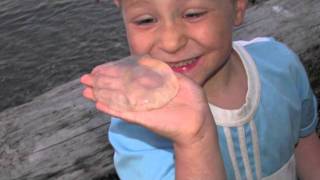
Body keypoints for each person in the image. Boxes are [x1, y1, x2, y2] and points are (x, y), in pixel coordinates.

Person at [80, 0, 320, 179]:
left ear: (237, 6)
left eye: (193, 14)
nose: (171, 42)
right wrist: (194, 142)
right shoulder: (137, 128)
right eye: (145, 20)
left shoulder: (280, 64)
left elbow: (306, 144)